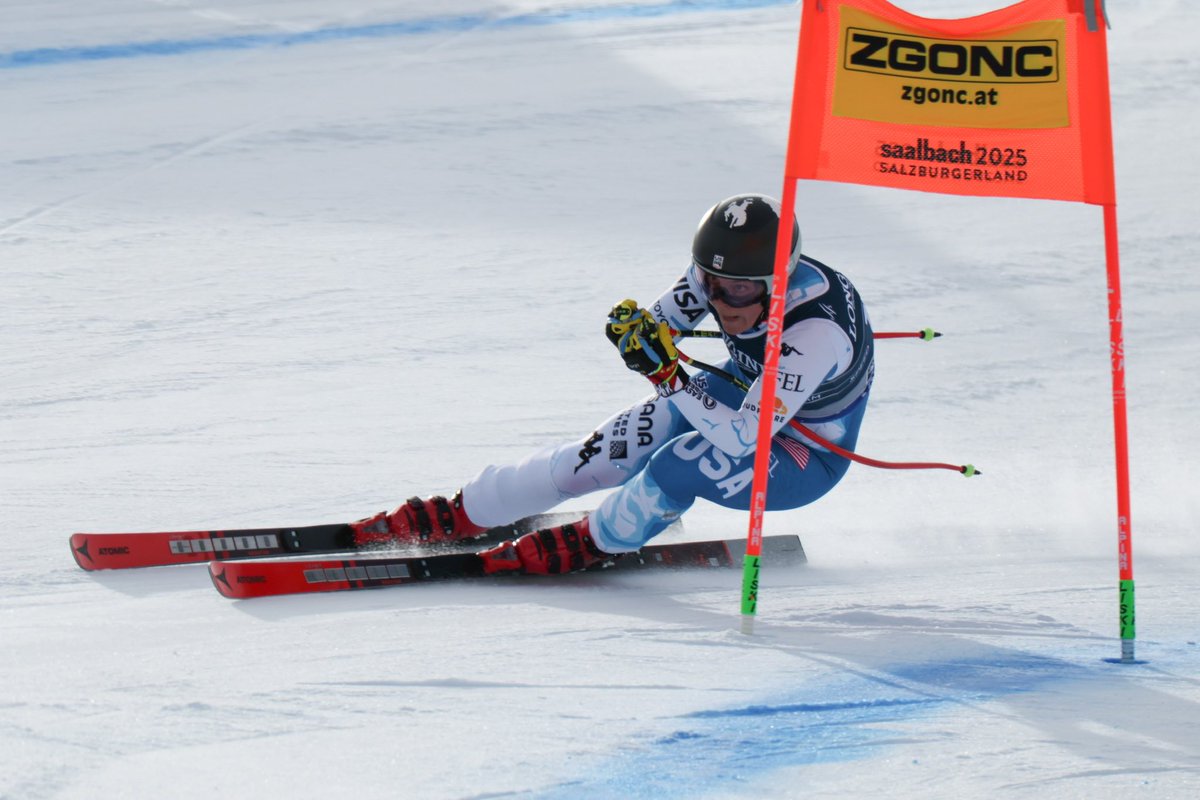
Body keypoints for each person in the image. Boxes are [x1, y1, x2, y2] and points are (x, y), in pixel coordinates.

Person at [351, 193, 875, 574]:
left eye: (738, 290)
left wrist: (669, 376)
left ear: (777, 281)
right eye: (711, 283)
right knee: (620, 445)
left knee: (683, 460)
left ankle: (596, 541)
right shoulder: (724, 280)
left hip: (805, 450)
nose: (720, 300)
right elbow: (660, 323)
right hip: (743, 394)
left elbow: (742, 437)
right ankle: (470, 509)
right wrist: (637, 333)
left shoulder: (815, 333)